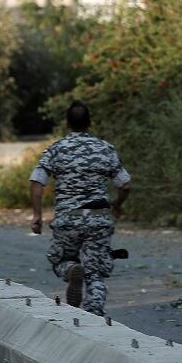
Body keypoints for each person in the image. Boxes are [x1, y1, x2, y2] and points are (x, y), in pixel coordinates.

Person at [29, 101, 131, 316]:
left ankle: (71, 269)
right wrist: (117, 205)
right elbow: (125, 184)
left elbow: (37, 182)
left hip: (68, 219)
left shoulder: (57, 149)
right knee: (95, 273)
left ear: (67, 123)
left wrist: (37, 216)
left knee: (60, 260)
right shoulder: (105, 149)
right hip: (99, 219)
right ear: (89, 123)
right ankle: (94, 317)